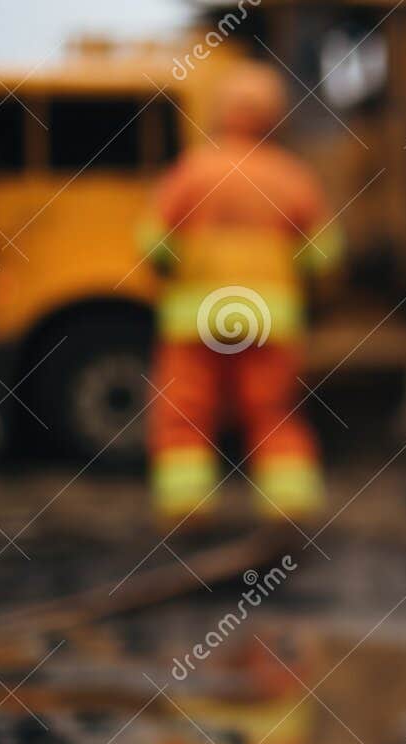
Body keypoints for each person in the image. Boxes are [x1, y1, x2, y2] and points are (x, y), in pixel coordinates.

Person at [139, 60, 341, 524]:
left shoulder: (191, 171)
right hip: (271, 319)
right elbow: (325, 255)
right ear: (275, 115)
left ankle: (186, 508)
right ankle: (288, 508)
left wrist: (179, 267)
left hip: (195, 318)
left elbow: (152, 243)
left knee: (185, 412)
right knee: (272, 411)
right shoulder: (293, 176)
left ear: (221, 111)